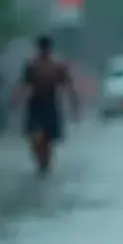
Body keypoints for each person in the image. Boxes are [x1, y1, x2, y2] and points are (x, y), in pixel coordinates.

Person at [20, 34, 78, 175]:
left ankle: (45, 160)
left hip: (49, 103)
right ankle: (41, 158)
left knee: (47, 137)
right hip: (37, 104)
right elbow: (24, 85)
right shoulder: (33, 66)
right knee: (36, 135)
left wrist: (74, 104)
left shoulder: (56, 67)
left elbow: (68, 86)